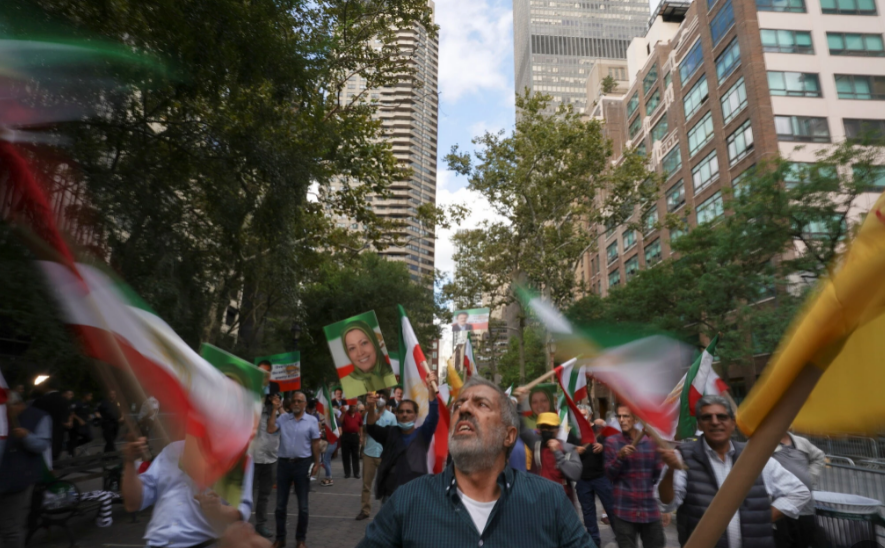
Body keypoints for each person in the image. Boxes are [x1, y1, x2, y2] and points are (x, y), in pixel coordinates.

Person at [356, 376, 593, 548]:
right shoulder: (407, 501)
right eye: (459, 405)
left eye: (481, 404)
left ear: (508, 435)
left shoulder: (549, 501)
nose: (464, 408)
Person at [657, 395, 811, 548]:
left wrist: (764, 518)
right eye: (707, 417)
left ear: (733, 423)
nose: (715, 422)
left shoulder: (755, 456)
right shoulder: (682, 456)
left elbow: (799, 492)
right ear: (699, 425)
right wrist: (671, 470)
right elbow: (667, 504)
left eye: (722, 417)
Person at [121, 436, 254, 548]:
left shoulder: (236, 457)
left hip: (202, 543)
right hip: (155, 543)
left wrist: (218, 509)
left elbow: (240, 514)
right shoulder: (171, 451)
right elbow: (133, 503)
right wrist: (130, 461)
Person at [364, 378, 438, 502]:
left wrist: (431, 391)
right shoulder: (390, 433)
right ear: (396, 414)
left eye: (409, 412)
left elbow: (433, 416)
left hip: (416, 494)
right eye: (401, 412)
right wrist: (371, 407)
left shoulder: (422, 434)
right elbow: (371, 427)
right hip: (391, 494)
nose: (404, 414)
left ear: (415, 415)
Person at [604, 405, 666, 548]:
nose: (621, 420)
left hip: (650, 510)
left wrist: (665, 508)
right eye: (619, 416)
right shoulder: (612, 442)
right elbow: (609, 474)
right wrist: (619, 457)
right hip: (624, 510)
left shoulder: (651, 443)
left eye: (625, 416)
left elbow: (659, 477)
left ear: (635, 419)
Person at [267, 391, 321, 548]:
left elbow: (316, 443)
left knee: (303, 506)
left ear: (304, 404)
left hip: (302, 465)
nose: (296, 403)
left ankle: (300, 540)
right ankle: (280, 538)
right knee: (280, 505)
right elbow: (270, 429)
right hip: (284, 464)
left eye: (299, 401)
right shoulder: (283, 419)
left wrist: (317, 463)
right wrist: (274, 410)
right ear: (290, 404)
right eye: (294, 401)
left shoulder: (311, 421)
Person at [0, 391, 51, 548]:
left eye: (5, 406)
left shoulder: (38, 416)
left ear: (16, 404)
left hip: (18, 478)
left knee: (11, 527)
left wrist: (27, 436)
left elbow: (42, 445)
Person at [771, 431, 827, 548]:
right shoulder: (767, 442)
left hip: (805, 509)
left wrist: (810, 477)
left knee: (805, 542)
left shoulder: (801, 442)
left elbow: (819, 456)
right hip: (782, 510)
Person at [518, 412, 583, 497]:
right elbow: (520, 426)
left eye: (549, 428)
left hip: (561, 500)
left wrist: (558, 453)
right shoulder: (536, 444)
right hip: (538, 497)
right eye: (543, 427)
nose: (545, 431)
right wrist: (516, 404)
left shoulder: (567, 448)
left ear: (558, 429)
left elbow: (576, 474)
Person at [576, 411, 615, 547]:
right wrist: (575, 449)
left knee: (611, 508)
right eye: (579, 414)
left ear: (590, 415)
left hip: (601, 477)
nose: (582, 416)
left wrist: (602, 447)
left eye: (585, 414)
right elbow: (567, 449)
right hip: (582, 479)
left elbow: (611, 446)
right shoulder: (574, 432)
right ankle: (594, 541)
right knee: (588, 512)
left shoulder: (599, 430)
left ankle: (621, 535)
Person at [357, 390, 397, 520]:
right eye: (377, 397)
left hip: (383, 455)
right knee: (366, 485)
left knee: (385, 484)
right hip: (369, 453)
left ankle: (384, 511)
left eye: (382, 397)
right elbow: (365, 429)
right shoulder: (370, 414)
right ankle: (365, 510)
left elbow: (394, 436)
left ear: (386, 400)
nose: (379, 399)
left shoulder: (391, 417)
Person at [338, 321, 398, 397]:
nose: (360, 353)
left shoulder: (395, 371)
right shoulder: (348, 383)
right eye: (352, 348)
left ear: (374, 343)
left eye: (364, 343)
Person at [252, 393, 281, 538]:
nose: (275, 400)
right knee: (247, 494)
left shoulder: (280, 415)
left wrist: (277, 408)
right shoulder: (255, 411)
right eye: (273, 397)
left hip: (271, 460)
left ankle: (261, 525)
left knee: (264, 495)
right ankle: (240, 524)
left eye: (278, 397)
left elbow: (288, 423)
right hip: (253, 459)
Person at [33, 383, 71, 461]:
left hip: (43, 432)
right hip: (58, 431)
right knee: (55, 455)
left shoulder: (41, 400)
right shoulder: (63, 400)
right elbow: (65, 418)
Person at [340, 400, 362, 479]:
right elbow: (340, 421)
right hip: (346, 436)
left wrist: (361, 436)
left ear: (356, 407)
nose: (353, 408)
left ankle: (356, 473)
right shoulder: (345, 414)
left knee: (355, 455)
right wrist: (342, 413)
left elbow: (360, 426)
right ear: (349, 406)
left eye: (354, 406)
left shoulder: (358, 415)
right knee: (346, 455)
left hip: (355, 436)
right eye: (351, 406)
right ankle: (347, 473)